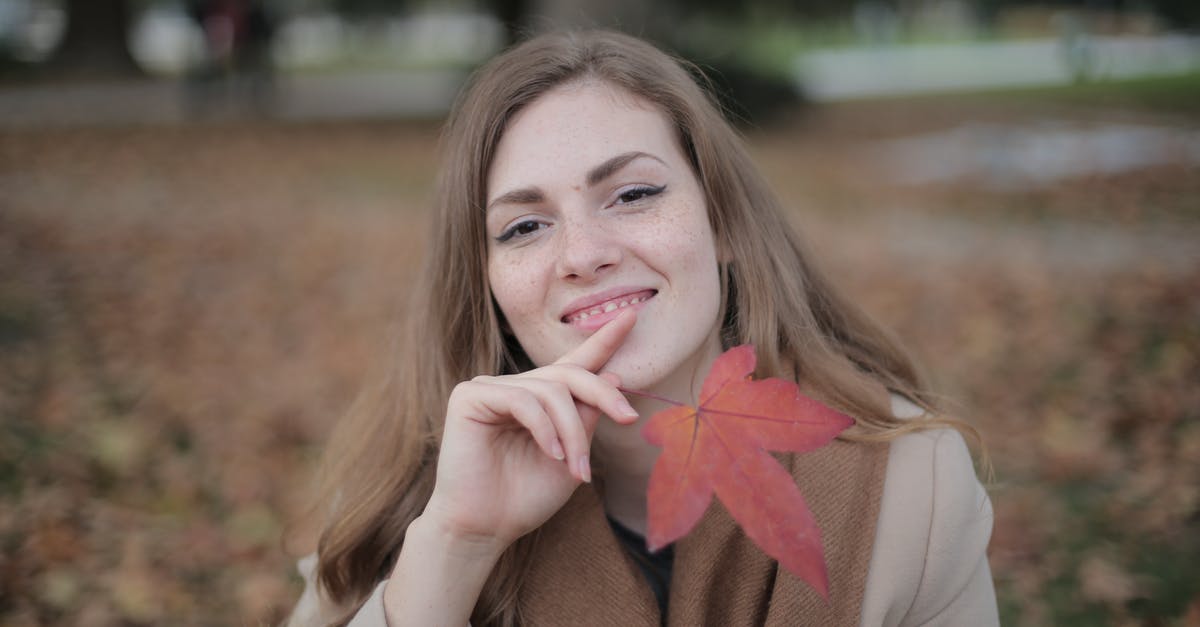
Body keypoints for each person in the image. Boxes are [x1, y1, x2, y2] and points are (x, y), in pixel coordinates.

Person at [286, 30, 998, 627]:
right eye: (526, 226)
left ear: (723, 221)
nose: (585, 254)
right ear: (487, 286)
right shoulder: (410, 505)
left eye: (633, 194)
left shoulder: (910, 484)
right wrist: (455, 544)